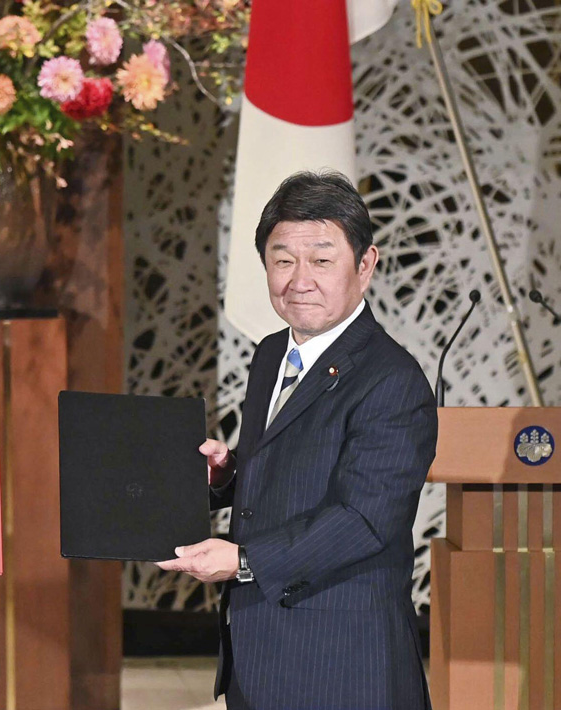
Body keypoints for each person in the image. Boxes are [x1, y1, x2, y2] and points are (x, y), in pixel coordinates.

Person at [157, 171, 437, 709]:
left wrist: (242, 561)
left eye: (322, 260)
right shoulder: (270, 354)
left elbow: (364, 519)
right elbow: (293, 467)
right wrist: (229, 474)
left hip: (343, 663)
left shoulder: (393, 380)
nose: (299, 279)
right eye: (283, 260)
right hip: (259, 653)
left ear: (366, 265)